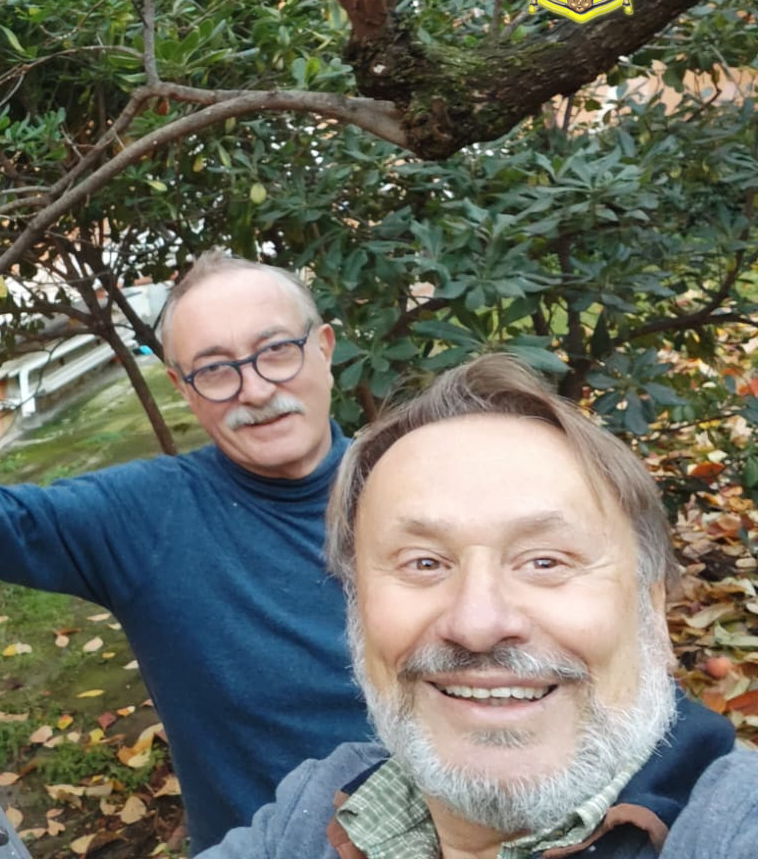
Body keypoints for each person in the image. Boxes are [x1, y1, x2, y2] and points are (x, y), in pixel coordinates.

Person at [206, 352, 758, 859]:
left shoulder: (733, 825)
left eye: (545, 561)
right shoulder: (311, 809)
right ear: (356, 611)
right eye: (423, 563)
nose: (476, 624)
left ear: (651, 608)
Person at [0, 252, 372, 850]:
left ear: (324, 348)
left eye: (277, 350)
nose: (254, 388)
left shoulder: (419, 493)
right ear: (183, 390)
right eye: (215, 369)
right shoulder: (147, 518)